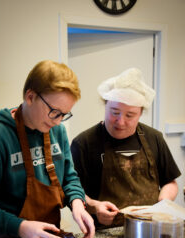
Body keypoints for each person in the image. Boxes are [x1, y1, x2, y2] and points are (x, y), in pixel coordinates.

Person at [0, 60, 95, 238]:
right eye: (54, 112)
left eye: (64, 114)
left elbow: (69, 177)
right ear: (30, 97)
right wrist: (20, 227)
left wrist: (77, 202)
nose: (59, 121)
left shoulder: (57, 131)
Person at [71, 68, 181, 227]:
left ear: (140, 113)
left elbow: (170, 182)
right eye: (114, 112)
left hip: (149, 229)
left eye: (130, 115)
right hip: (105, 234)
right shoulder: (84, 143)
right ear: (105, 105)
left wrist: (163, 203)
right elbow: (74, 193)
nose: (120, 122)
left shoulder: (154, 138)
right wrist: (95, 208)